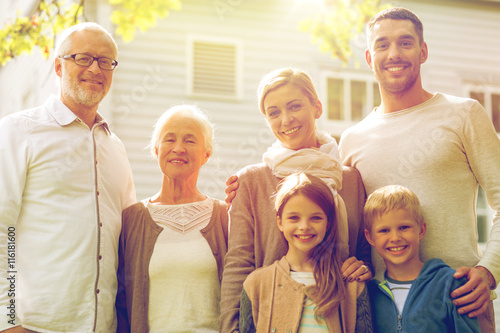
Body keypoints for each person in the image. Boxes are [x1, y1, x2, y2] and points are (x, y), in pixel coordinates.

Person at [339, 7, 500, 332]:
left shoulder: (464, 114)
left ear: (422, 51)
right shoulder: (352, 139)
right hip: (381, 311)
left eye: (405, 43)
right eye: (383, 45)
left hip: (459, 305)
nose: (394, 53)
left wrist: (489, 269)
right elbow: (339, 216)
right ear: (370, 58)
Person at [0, 23, 136, 332]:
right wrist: (6, 321)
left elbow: (128, 238)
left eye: (105, 61)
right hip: (34, 326)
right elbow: (1, 228)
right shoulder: (18, 131)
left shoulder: (116, 149)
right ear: (59, 66)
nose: (95, 69)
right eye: (84, 58)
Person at [220, 68, 371, 332]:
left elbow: (365, 251)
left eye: (295, 107)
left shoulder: (350, 180)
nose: (286, 119)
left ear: (317, 107)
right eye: (274, 113)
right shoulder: (251, 181)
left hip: (337, 317)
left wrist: (362, 268)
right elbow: (238, 264)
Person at [115, 105, 228, 332]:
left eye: (190, 140)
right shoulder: (131, 219)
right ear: (156, 150)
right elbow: (118, 301)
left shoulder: (225, 216)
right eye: (169, 139)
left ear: (206, 154)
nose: (178, 148)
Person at [239, 172, 372, 332]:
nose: (304, 226)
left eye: (316, 218)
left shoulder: (351, 286)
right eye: (294, 218)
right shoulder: (256, 284)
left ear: (328, 223)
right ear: (279, 222)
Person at [364, 185, 480, 332]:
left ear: (421, 230)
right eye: (384, 230)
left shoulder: (450, 284)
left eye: (404, 227)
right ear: (370, 237)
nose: (395, 238)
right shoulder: (370, 292)